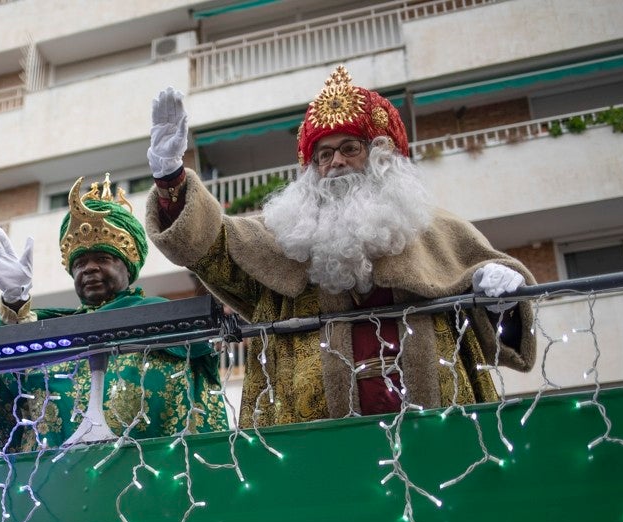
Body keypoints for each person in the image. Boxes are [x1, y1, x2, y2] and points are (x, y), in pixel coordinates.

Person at [143, 66, 537, 427]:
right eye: (324, 154)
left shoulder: (439, 231)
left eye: (350, 148)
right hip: (316, 449)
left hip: (440, 432)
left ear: (381, 158)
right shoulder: (285, 239)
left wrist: (498, 300)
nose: (335, 163)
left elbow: (504, 336)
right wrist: (170, 178)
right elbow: (215, 245)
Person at [0, 175, 228, 453]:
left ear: (127, 267)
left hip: (148, 473)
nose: (89, 268)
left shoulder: (163, 319)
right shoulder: (51, 332)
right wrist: (15, 301)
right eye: (80, 263)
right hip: (54, 480)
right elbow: (5, 376)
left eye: (103, 259)